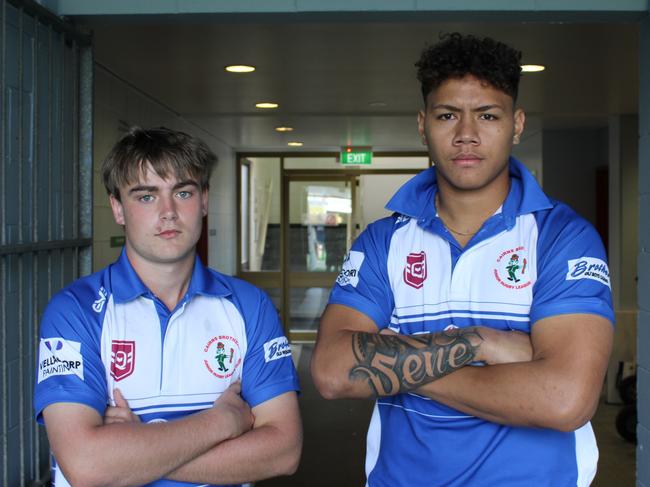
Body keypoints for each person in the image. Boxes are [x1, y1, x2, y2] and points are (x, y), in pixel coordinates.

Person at [311, 32, 613, 486]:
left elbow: (564, 398)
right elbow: (333, 371)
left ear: (517, 123)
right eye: (448, 115)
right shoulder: (382, 241)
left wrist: (395, 363)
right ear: (422, 124)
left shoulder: (562, 238)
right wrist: (480, 343)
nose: (466, 135)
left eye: (488, 115)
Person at [34, 127, 302, 487]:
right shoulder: (75, 310)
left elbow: (283, 451)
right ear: (117, 208)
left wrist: (132, 449)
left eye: (183, 192)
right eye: (146, 197)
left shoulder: (248, 306)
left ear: (204, 200)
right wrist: (222, 422)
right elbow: (86, 465)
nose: (168, 212)